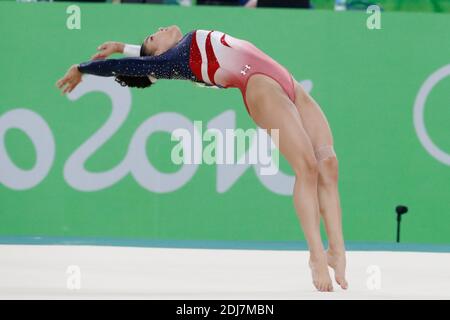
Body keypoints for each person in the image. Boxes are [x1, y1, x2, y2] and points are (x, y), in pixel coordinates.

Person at [56, 25, 348, 292]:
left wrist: (122, 44)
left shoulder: (180, 48)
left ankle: (336, 250)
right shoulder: (174, 60)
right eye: (151, 37)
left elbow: (142, 60)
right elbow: (132, 66)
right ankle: (316, 257)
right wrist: (83, 68)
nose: (157, 30)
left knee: (328, 164)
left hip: (286, 80)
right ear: (158, 54)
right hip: (261, 86)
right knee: (307, 167)